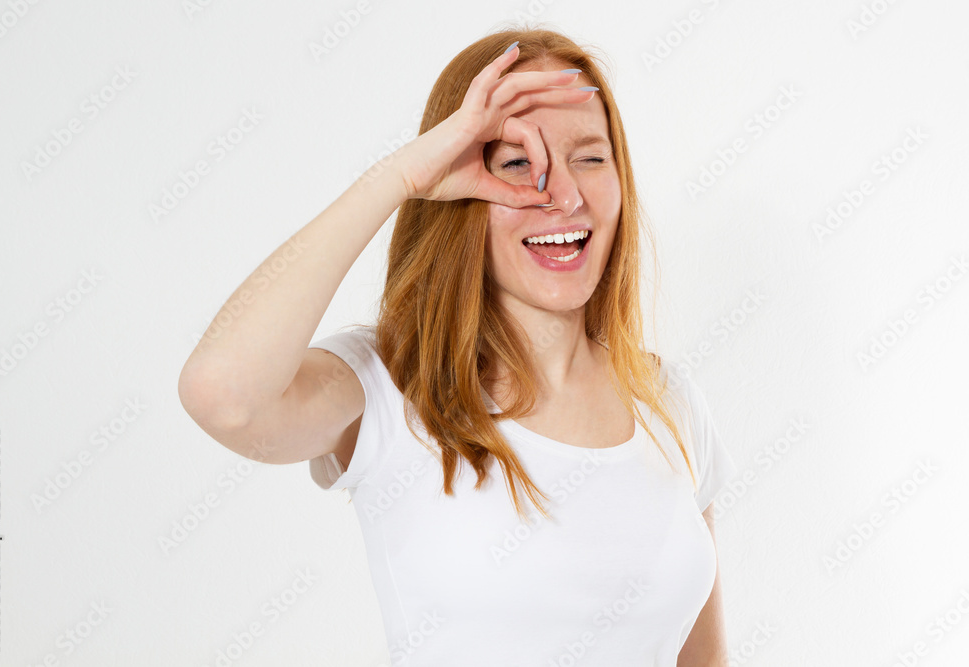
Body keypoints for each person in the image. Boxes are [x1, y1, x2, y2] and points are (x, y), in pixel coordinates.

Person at [178, 25, 738, 667]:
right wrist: (400, 175)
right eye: (519, 163)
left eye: (590, 156)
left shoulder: (668, 401)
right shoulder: (388, 388)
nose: (565, 195)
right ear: (461, 182)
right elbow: (222, 395)